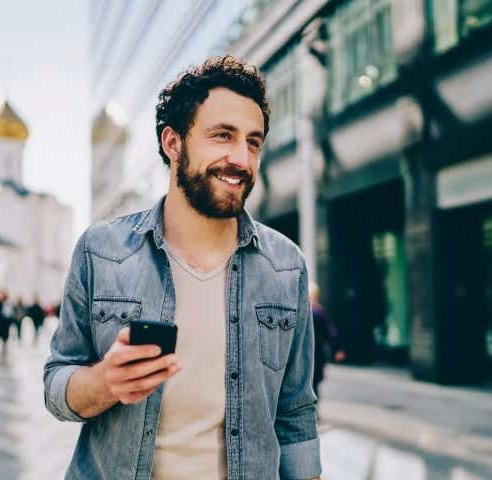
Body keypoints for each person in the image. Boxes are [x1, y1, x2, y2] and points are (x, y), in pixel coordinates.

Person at [44, 56, 321, 480]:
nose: (241, 158)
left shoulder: (286, 266)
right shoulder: (100, 251)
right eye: (222, 136)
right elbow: (56, 384)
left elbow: (296, 412)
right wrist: (104, 383)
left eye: (253, 142)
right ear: (173, 143)